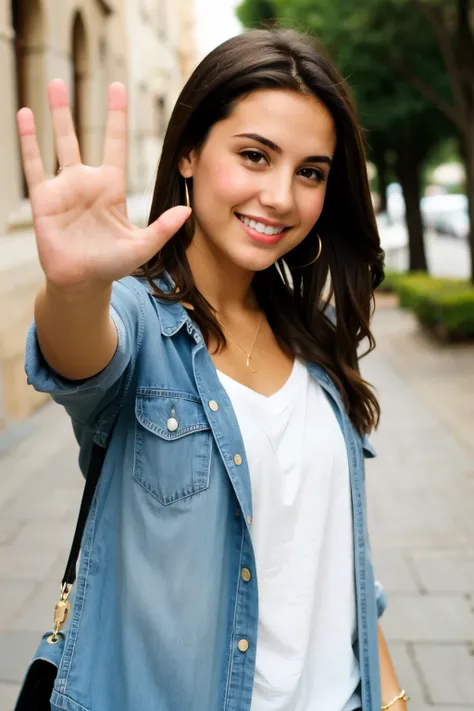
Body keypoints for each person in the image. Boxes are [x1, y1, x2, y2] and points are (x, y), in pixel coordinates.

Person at [18, 28, 408, 711]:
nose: (282, 195)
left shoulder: (313, 337)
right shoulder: (140, 322)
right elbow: (77, 356)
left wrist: (397, 697)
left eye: (310, 171)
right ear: (191, 152)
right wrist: (77, 285)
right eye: (255, 156)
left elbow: (336, 557)